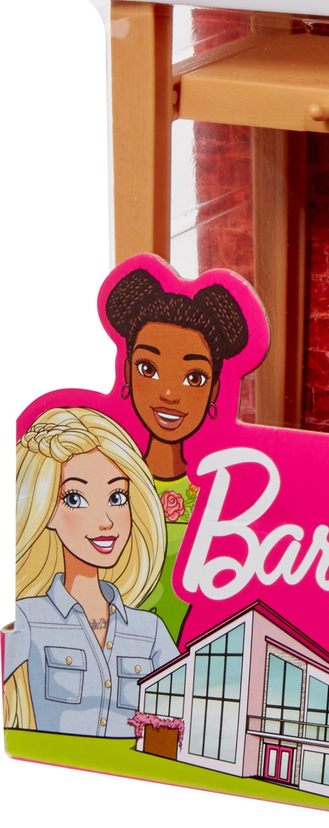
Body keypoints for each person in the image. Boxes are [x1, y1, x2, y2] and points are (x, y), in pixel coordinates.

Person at [4, 407, 179, 737]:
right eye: (74, 498)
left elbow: (188, 709)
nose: (106, 521)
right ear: (45, 509)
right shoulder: (28, 618)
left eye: (117, 496)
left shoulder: (150, 631)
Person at [104, 267, 251, 641]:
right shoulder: (106, 480)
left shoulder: (216, 495)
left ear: (214, 390)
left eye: (194, 378)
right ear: (127, 371)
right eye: (148, 368)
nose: (169, 394)